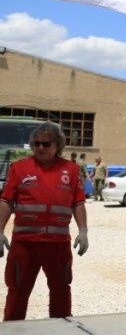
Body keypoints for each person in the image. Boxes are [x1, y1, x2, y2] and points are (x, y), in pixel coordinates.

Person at [0, 122, 89, 320]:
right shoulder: (19, 168)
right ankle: (12, 334)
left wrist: (83, 231)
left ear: (57, 145)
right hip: (25, 244)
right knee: (18, 289)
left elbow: (78, 203)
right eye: (37, 143)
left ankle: (60, 330)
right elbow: (6, 201)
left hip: (57, 245)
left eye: (46, 144)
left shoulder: (72, 171)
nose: (41, 147)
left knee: (61, 288)